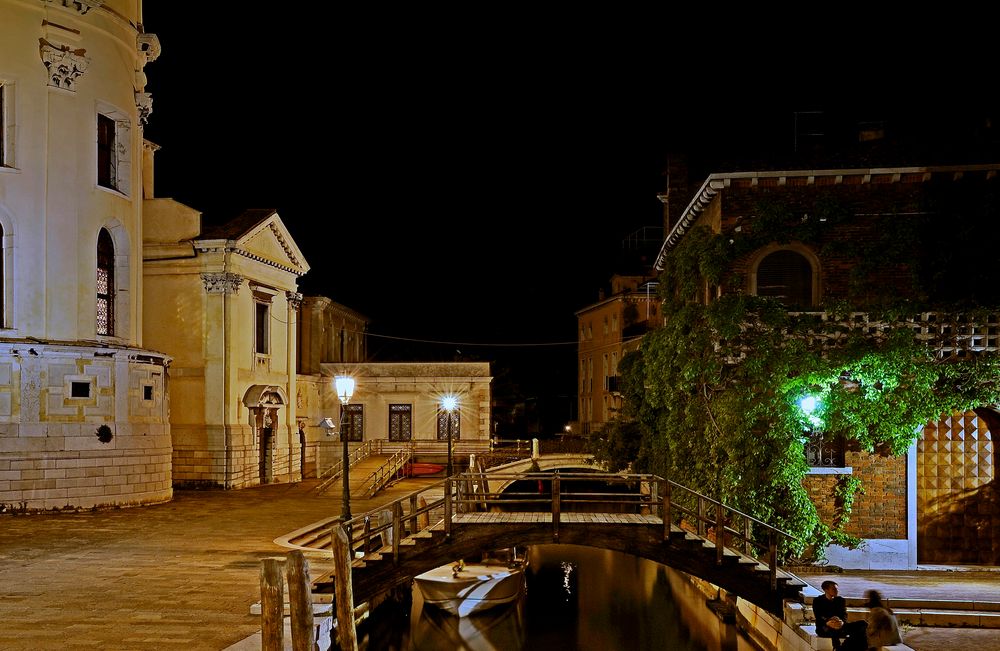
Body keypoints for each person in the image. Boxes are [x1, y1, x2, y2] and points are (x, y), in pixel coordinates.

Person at [813, 580, 867, 649]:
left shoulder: (840, 600)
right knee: (833, 628)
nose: (837, 591)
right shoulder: (818, 601)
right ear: (826, 590)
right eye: (834, 589)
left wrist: (842, 622)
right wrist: (828, 622)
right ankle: (837, 647)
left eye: (837, 589)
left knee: (863, 624)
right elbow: (818, 616)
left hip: (840, 625)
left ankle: (847, 646)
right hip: (825, 627)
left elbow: (844, 615)